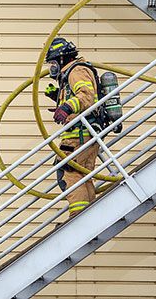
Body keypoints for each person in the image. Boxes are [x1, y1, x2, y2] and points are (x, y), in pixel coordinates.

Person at [44, 37, 100, 217]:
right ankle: (90, 215)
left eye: (53, 63)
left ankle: (78, 219)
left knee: (69, 175)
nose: (51, 67)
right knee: (82, 177)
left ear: (62, 59)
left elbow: (86, 96)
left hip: (79, 136)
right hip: (84, 134)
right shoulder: (72, 73)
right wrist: (58, 99)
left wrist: (67, 107)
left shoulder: (76, 71)